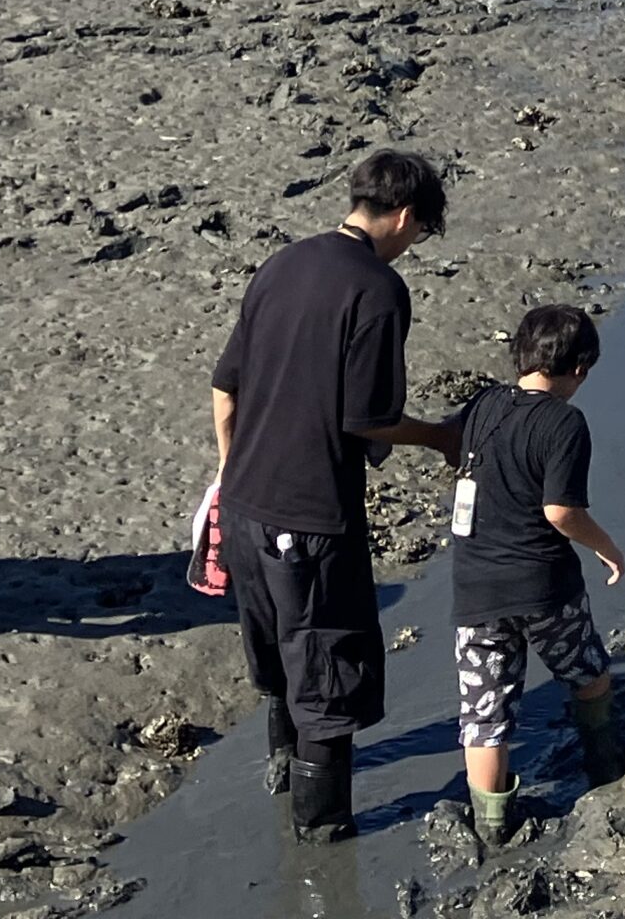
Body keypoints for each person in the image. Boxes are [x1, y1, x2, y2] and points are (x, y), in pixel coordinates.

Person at [210, 150, 461, 842]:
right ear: (405, 216)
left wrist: (233, 474)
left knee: (275, 650)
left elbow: (224, 386)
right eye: (418, 233)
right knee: (326, 670)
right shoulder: (377, 291)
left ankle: (282, 767)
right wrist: (442, 438)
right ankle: (321, 839)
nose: (412, 248)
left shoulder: (282, 264)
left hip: (246, 506)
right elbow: (368, 418)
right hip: (313, 517)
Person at [452, 304, 625, 847]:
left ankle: (492, 824)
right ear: (579, 369)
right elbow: (561, 511)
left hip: (476, 588)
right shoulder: (564, 423)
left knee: (484, 713)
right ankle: (604, 762)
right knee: (586, 669)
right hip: (544, 585)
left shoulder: (483, 405)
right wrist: (609, 550)